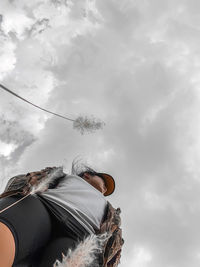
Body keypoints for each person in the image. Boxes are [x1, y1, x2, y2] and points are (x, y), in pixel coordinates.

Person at [0, 163, 123, 266]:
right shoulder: (65, 177)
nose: (105, 188)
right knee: (5, 235)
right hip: (45, 207)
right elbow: (21, 181)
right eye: (104, 183)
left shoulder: (110, 210)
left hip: (81, 237)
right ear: (87, 175)